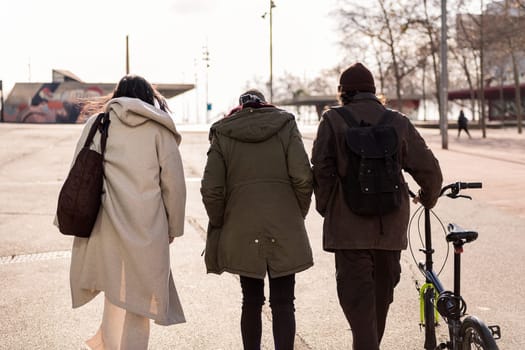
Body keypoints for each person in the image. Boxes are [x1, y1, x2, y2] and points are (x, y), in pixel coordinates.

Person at [311, 62, 443, 350]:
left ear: (343, 93)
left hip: (349, 231)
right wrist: (427, 197)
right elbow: (429, 169)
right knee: (379, 304)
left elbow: (321, 169)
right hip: (389, 230)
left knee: (359, 307)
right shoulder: (398, 121)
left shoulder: (332, 121)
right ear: (374, 92)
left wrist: (326, 207)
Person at [60, 74, 187, 349]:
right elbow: (174, 185)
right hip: (147, 229)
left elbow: (77, 172)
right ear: (149, 97)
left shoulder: (99, 123)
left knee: (114, 295)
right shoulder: (158, 129)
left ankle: (108, 344)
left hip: (103, 227)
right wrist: (173, 228)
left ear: (117, 94)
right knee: (139, 303)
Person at [201, 89, 313, 350]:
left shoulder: (223, 133)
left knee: (250, 300)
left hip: (241, 226)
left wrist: (221, 220)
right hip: (283, 223)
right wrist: (297, 212)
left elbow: (211, 189)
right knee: (284, 301)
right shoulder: (285, 125)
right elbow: (303, 177)